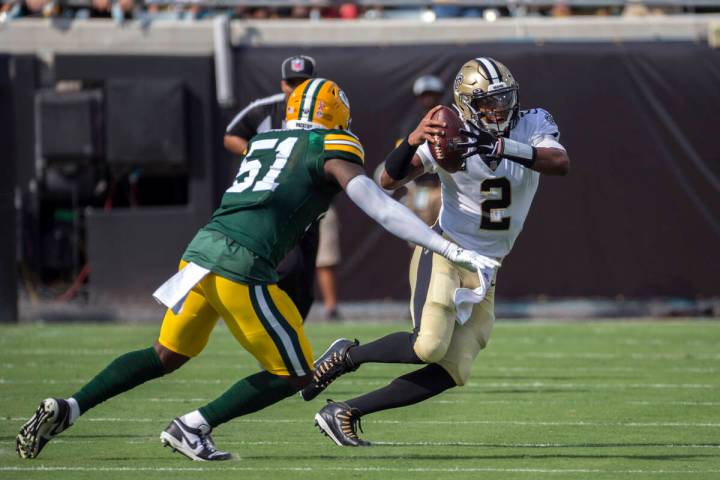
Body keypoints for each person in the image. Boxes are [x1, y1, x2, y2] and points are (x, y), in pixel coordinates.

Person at [16, 77, 498, 461]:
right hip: (242, 264)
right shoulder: (332, 148)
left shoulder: (266, 139)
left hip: (199, 254)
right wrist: (445, 246)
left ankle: (70, 406)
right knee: (296, 375)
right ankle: (194, 426)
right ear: (334, 118)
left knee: (164, 353)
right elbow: (377, 203)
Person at [302, 57, 570, 446]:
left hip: (489, 265)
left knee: (454, 368)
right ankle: (346, 355)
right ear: (467, 104)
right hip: (447, 249)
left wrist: (499, 145)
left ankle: (344, 411)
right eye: (489, 102)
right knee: (428, 344)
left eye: (504, 98)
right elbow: (388, 179)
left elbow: (559, 162)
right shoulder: (452, 133)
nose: (500, 109)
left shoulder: (532, 122)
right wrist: (413, 140)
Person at [225, 54, 319, 319]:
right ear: (282, 84)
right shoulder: (265, 109)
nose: (297, 89)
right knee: (287, 267)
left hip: (310, 205)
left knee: (304, 283)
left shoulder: (325, 111)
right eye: (292, 83)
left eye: (303, 83)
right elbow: (231, 135)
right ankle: (271, 322)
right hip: (274, 203)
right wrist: (257, 156)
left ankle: (290, 332)